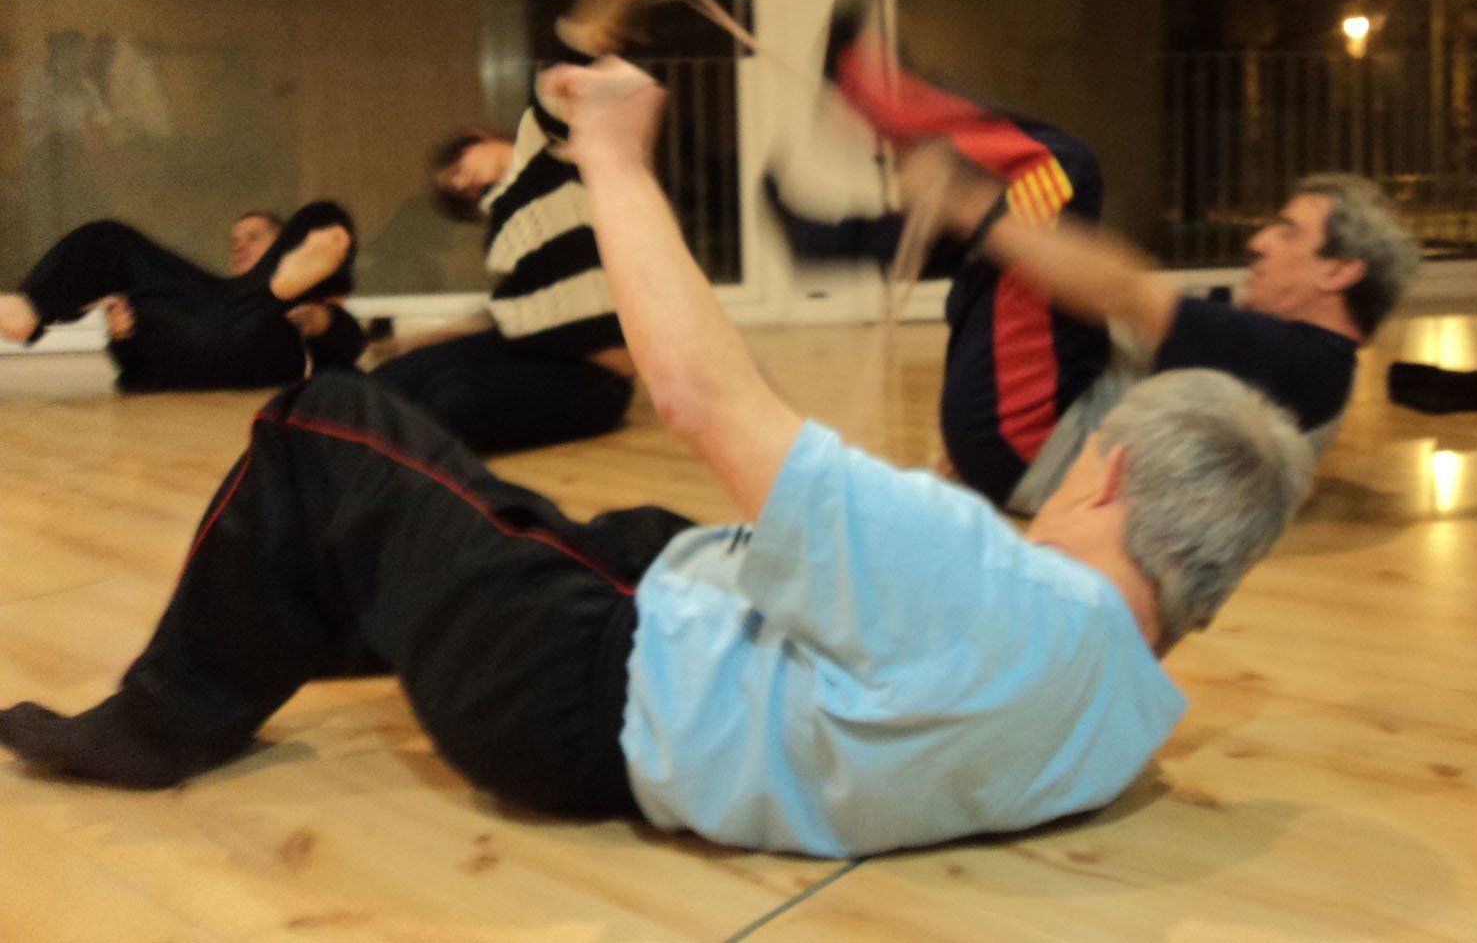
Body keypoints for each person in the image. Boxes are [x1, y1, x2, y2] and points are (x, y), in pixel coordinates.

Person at [0, 55, 1313, 859]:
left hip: (570, 686)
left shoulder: (985, 577)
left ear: (1112, 476)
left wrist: (616, 159)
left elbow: (693, 389)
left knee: (327, 424)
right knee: (575, 517)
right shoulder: (1134, 720)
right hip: (654, 645)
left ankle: (157, 720)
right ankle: (342, 596)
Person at [768, 0, 1420, 511]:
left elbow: (1121, 289)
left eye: (1288, 232)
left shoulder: (1307, 359)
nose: (1258, 241)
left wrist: (966, 201)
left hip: (1032, 441)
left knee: (1060, 169)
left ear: (1340, 271)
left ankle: (875, 98)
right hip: (1025, 444)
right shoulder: (1304, 362)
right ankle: (831, 235)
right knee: (1026, 225)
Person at [366, 0, 666, 454]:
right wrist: (418, 342)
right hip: (524, 348)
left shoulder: (545, 154)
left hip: (590, 377)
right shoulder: (505, 217)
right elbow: (506, 315)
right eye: (454, 188)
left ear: (482, 135)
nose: (460, 182)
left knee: (447, 406)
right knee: (384, 384)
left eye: (458, 165)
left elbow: (573, 57)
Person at [0, 204, 363, 393]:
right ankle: (29, 308)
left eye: (253, 238)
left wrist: (321, 320)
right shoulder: (195, 295)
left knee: (322, 218)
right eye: (235, 240)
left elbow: (350, 347)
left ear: (284, 247)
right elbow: (140, 376)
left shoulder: (309, 303)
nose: (239, 246)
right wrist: (122, 339)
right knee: (111, 241)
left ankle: (273, 290)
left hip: (263, 339)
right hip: (202, 338)